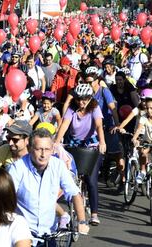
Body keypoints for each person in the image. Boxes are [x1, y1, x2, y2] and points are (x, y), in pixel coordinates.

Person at [8, 128, 89, 245]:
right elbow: (5, 198)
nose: (43, 154)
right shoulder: (17, 168)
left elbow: (74, 193)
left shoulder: (58, 165)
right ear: (30, 149)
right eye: (39, 149)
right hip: (23, 236)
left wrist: (82, 221)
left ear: (52, 150)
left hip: (49, 234)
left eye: (47, 149)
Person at [55, 83, 106, 225]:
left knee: (91, 179)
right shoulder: (72, 108)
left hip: (92, 145)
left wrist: (102, 142)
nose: (81, 102)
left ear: (90, 98)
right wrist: (57, 142)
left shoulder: (94, 108)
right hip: (74, 144)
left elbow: (98, 125)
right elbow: (64, 125)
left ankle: (94, 214)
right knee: (70, 176)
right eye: (79, 99)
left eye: (84, 99)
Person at [132, 97, 152, 183]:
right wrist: (134, 139)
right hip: (147, 141)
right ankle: (143, 171)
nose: (149, 110)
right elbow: (139, 129)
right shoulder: (144, 117)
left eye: (151, 108)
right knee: (143, 153)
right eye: (147, 108)